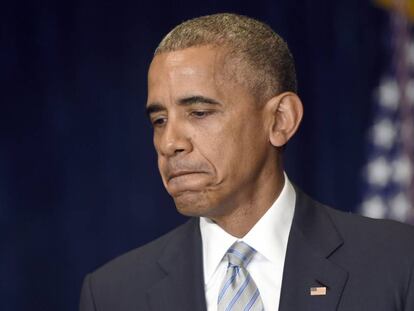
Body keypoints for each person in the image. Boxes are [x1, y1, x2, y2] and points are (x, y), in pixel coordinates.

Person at [79, 13, 414, 311]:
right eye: (159, 121)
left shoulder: (397, 262)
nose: (169, 144)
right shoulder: (113, 294)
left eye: (199, 113)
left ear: (280, 120)